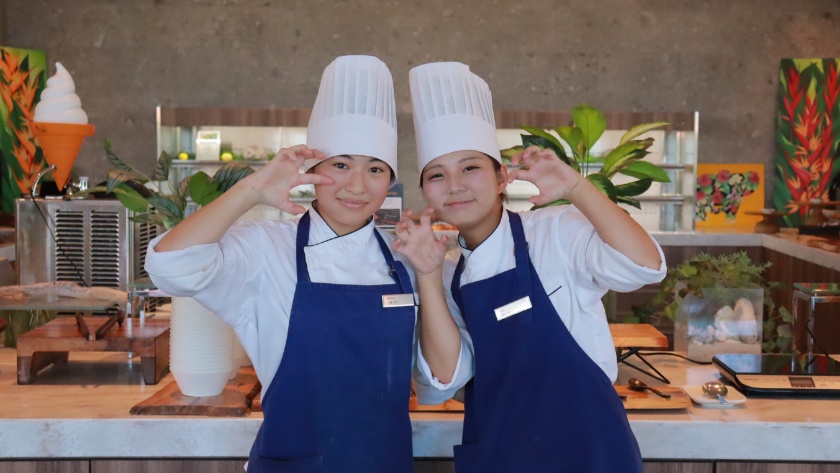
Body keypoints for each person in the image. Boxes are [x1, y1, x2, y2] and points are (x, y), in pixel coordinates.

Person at [146, 55, 416, 473]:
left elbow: (437, 378)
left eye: (375, 169)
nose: (357, 185)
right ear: (313, 169)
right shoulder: (266, 247)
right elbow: (170, 267)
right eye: (341, 165)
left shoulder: (404, 261)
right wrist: (251, 190)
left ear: (390, 181)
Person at [396, 61, 667, 473]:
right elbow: (445, 378)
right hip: (501, 453)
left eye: (470, 167)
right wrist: (428, 275)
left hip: (590, 451)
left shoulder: (554, 231)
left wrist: (575, 187)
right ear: (425, 192)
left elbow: (644, 267)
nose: (455, 185)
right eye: (437, 175)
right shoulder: (446, 272)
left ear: (502, 178)